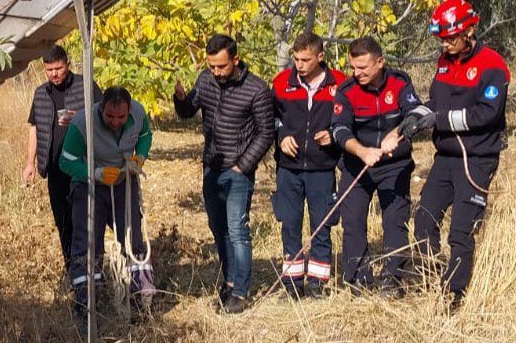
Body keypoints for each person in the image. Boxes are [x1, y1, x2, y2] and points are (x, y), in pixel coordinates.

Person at [414, 0, 510, 309]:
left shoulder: (492, 66)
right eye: (440, 38)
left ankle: (454, 297)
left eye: (449, 38)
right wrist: (417, 115)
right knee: (424, 220)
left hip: (476, 159)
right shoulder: (445, 62)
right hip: (445, 158)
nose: (444, 44)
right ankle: (431, 279)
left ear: (468, 31)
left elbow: (486, 115)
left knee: (460, 232)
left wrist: (438, 119)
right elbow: (436, 102)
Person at [174, 35, 273, 314]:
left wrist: (243, 165)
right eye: (212, 66)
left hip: (237, 172)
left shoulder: (257, 89)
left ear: (235, 60)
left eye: (221, 66)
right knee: (219, 230)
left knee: (237, 230)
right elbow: (188, 110)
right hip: (211, 167)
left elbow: (266, 133)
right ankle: (229, 282)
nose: (216, 72)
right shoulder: (206, 80)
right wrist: (180, 99)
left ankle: (240, 293)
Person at [330, 36, 432, 297]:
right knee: (352, 222)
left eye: (363, 67)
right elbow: (339, 130)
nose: (357, 73)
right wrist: (362, 151)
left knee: (395, 221)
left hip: (394, 165)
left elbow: (418, 112)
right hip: (356, 165)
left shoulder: (399, 82)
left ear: (380, 62)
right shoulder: (346, 89)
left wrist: (397, 132)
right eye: (353, 67)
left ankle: (393, 281)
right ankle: (357, 280)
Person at [59, 86, 155, 319]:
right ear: (101, 108)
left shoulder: (139, 114)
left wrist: (139, 158)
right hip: (88, 186)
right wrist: (95, 173)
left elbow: (145, 136)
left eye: (121, 117)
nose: (115, 122)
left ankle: (142, 298)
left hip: (124, 183)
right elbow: (65, 161)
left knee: (133, 240)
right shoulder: (82, 123)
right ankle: (86, 304)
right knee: (87, 244)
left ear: (129, 110)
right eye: (110, 116)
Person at [271, 32, 347, 299]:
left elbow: (348, 121)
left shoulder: (340, 84)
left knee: (321, 226)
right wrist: (281, 137)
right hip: (289, 169)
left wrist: (333, 135)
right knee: (290, 224)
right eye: (296, 59)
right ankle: (292, 285)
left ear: (320, 57)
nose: (299, 65)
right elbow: (271, 118)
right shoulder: (282, 83)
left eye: (305, 60)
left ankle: (317, 283)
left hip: (323, 168)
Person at [23, 45, 99, 277]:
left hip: (82, 169)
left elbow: (104, 118)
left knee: (85, 223)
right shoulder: (40, 93)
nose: (54, 74)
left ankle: (93, 273)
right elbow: (35, 129)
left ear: (67, 64)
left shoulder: (86, 86)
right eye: (49, 70)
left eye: (58, 68)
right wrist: (29, 163)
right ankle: (74, 274)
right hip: (55, 171)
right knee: (63, 224)